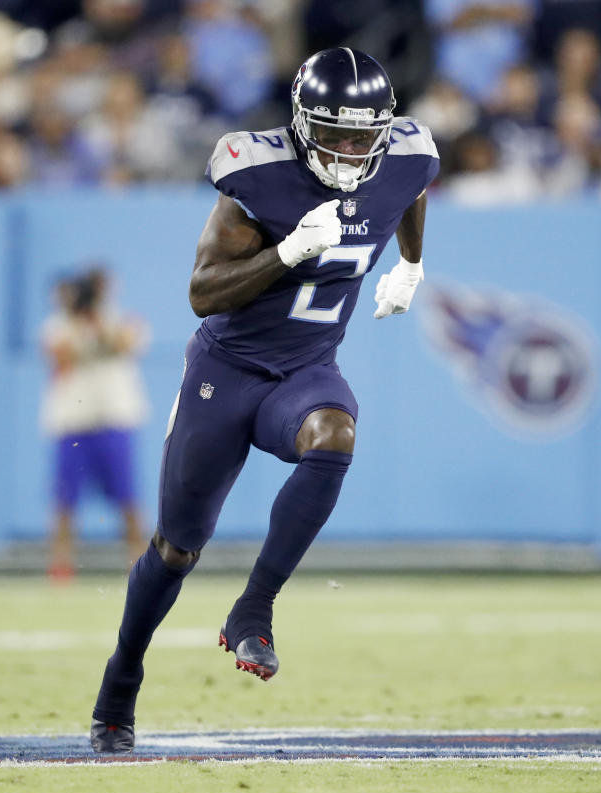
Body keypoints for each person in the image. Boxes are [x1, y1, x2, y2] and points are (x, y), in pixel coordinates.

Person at [89, 47, 439, 754]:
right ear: (302, 126)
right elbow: (201, 294)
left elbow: (411, 188)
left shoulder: (405, 156)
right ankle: (121, 681)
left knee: (335, 435)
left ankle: (254, 609)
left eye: (362, 134)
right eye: (335, 134)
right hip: (226, 372)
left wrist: (410, 262)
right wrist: (282, 255)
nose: (349, 149)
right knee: (176, 548)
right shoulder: (258, 176)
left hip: (307, 369)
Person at [41, 268, 150, 582]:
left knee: (128, 499)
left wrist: (97, 320)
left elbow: (124, 343)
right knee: (64, 501)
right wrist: (79, 322)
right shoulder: (58, 325)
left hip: (114, 421)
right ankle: (61, 568)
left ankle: (140, 569)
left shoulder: (119, 319)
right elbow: (60, 354)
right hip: (73, 425)